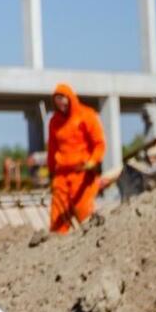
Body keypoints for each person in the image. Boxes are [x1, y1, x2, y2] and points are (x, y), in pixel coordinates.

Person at [47, 83, 106, 234]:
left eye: (63, 99)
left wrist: (93, 161)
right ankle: (57, 250)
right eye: (57, 100)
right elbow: (52, 149)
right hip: (61, 176)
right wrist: (51, 171)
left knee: (85, 213)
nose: (61, 104)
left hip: (82, 175)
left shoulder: (86, 115)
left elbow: (99, 143)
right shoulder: (54, 122)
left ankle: (92, 243)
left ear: (70, 98)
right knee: (57, 219)